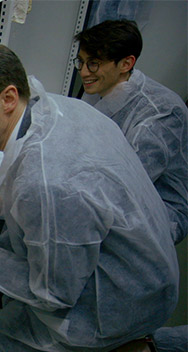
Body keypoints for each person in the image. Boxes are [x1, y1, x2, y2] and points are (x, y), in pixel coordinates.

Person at [0, 42, 179, 352]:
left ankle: (140, 350)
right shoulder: (55, 108)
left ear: (9, 98)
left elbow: (53, 292)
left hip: (122, 297)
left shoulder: (50, 182)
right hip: (124, 257)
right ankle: (14, 329)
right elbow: (28, 184)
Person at [75, 19, 188, 244]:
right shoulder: (100, 87)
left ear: (126, 64)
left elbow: (125, 186)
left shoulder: (161, 115)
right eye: (81, 62)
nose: (84, 72)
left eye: (94, 63)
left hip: (158, 213)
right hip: (107, 188)